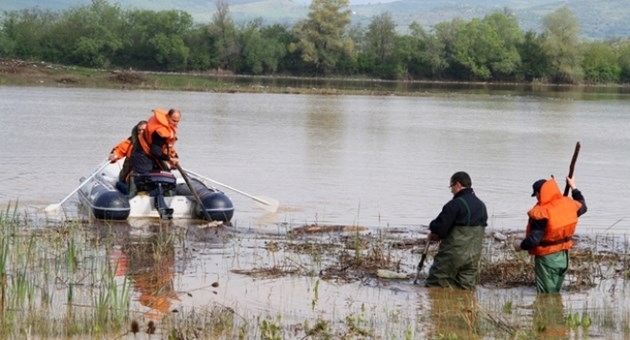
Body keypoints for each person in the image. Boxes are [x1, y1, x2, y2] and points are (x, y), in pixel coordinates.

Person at [513, 176, 587, 293]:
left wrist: (520, 245)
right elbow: (583, 206)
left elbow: (534, 240)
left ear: (539, 193)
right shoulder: (568, 204)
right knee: (554, 292)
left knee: (545, 294)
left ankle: (547, 310)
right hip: (564, 257)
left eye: (536, 195)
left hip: (548, 258)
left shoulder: (542, 212)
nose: (537, 198)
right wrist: (573, 187)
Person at [425, 171, 488, 290]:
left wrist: (433, 228)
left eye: (451, 186)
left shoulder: (454, 204)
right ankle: (464, 307)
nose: (451, 190)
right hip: (473, 256)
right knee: (466, 288)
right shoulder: (481, 206)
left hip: (453, 255)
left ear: (458, 184)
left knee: (436, 284)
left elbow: (441, 230)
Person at [130, 108, 181, 176]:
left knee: (166, 175)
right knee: (145, 179)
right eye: (174, 121)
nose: (176, 123)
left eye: (178, 121)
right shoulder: (160, 131)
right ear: (168, 117)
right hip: (142, 154)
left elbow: (168, 147)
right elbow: (155, 151)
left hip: (152, 154)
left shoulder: (167, 128)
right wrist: (169, 159)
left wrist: (174, 157)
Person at [108, 120, 147, 194]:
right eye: (139, 130)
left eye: (144, 130)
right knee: (133, 179)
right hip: (132, 176)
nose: (142, 132)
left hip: (150, 176)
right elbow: (119, 149)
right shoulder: (131, 142)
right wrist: (115, 155)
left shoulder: (156, 144)